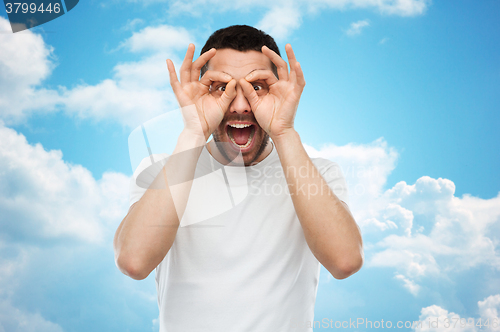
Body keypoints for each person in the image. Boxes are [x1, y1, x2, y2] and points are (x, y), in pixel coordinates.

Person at [114, 25, 363, 331]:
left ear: (279, 90)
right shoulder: (159, 171)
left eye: (257, 86)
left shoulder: (318, 174)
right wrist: (193, 131)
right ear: (204, 90)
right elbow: (133, 262)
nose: (241, 105)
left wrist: (284, 131)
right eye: (223, 87)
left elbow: (345, 261)